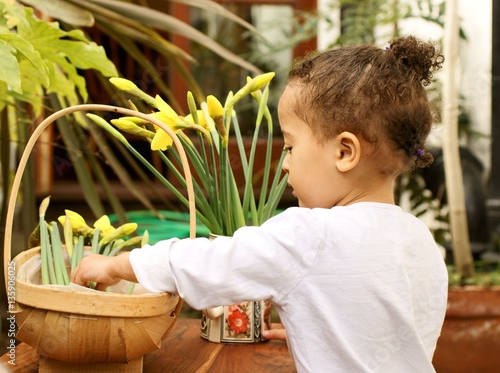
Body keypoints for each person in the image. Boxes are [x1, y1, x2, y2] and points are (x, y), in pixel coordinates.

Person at [72, 35, 448, 372]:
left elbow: (210, 261)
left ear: (345, 151)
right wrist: (322, 334)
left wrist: (120, 264)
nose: (284, 163)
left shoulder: (310, 233)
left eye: (290, 146)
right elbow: (397, 333)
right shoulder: (421, 241)